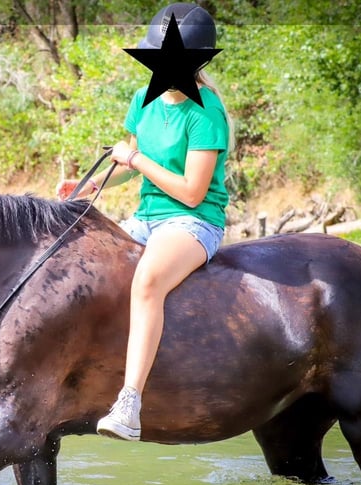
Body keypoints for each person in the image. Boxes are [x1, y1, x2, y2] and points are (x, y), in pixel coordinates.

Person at [55, 2, 233, 441]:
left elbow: (191, 192)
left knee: (148, 282)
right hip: (146, 217)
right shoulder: (143, 99)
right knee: (79, 263)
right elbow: (131, 166)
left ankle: (130, 403)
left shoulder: (206, 113)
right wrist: (89, 184)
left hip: (192, 222)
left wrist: (134, 158)